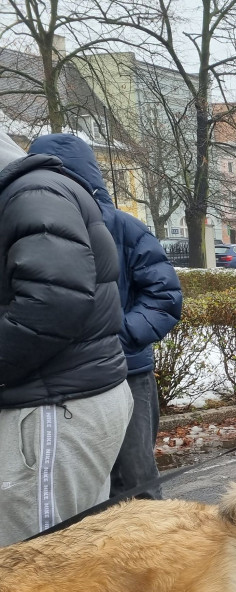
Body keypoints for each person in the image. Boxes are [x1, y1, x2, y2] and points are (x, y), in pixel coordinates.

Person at [29, 133, 183, 500]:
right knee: (77, 486)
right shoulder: (30, 226)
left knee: (136, 476)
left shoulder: (124, 227)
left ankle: (154, 555)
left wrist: (117, 338)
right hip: (58, 382)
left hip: (127, 373)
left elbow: (165, 296)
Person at [0, 131, 133, 548]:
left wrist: (132, 335)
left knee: (42, 572)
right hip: (63, 398)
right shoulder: (32, 192)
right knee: (73, 563)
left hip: (54, 406)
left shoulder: (34, 192)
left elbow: (54, 303)